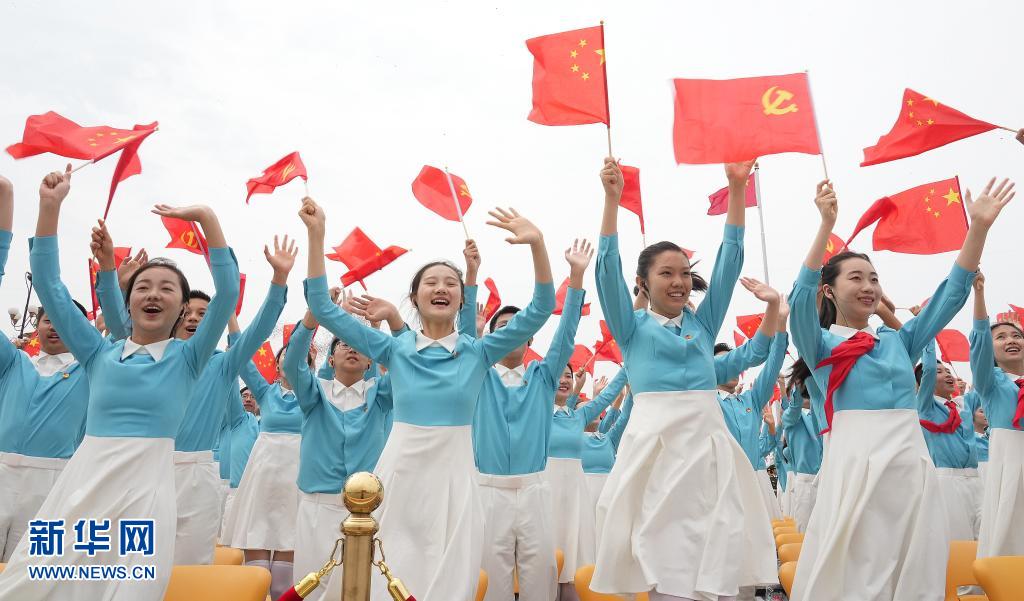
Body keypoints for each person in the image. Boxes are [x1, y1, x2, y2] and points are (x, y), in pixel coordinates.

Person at [0, 166, 239, 600]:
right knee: (36, 586)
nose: (153, 294)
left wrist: (206, 217)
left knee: (131, 591)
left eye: (167, 289)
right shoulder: (97, 353)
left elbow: (226, 292)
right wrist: (50, 207)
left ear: (182, 309)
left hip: (145, 502)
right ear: (128, 303)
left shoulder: (188, 359)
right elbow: (50, 285)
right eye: (143, 287)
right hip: (79, 494)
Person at [301, 197, 555, 601]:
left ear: (461, 299)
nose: (441, 288)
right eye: (431, 283)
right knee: (386, 568)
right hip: (399, 474)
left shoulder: (479, 351)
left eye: (451, 283)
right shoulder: (394, 348)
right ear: (415, 297)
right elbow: (321, 307)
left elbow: (542, 307)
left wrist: (537, 244)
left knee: (448, 578)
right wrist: (317, 235)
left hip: (456, 481)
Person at [788, 177, 1012, 601]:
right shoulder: (819, 345)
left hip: (910, 466)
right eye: (856, 278)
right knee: (858, 572)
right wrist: (825, 225)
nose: (868, 287)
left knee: (916, 568)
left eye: (873, 278)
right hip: (855, 466)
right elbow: (799, 297)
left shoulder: (898, 342)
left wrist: (978, 229)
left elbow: (950, 295)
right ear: (829, 290)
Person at [592, 158, 777, 601]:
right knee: (663, 557)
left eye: (684, 274)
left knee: (717, 549)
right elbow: (606, 268)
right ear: (642, 282)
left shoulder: (703, 324)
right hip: (655, 451)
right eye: (666, 274)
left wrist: (737, 188)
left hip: (707, 449)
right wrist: (612, 201)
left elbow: (730, 261)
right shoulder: (631, 327)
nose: (678, 282)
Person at [94, 226, 294, 565]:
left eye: (204, 314)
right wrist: (118, 282)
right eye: (188, 313)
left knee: (189, 570)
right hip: (140, 467)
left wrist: (279, 280)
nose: (194, 319)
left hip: (196, 478)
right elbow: (119, 325)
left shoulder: (222, 364)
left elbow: (259, 328)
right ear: (174, 314)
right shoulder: (147, 356)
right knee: (131, 565)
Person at [464, 238, 591, 601]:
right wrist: (471, 276)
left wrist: (576, 277)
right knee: (493, 582)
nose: (511, 332)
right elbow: (465, 337)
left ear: (530, 337)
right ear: (492, 336)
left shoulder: (543, 376)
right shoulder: (479, 375)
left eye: (519, 326)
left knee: (541, 580)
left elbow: (566, 335)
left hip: (536, 489)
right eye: (503, 326)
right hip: (489, 490)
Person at [0, 174, 92, 562]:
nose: (54, 325)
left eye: (64, 319)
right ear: (36, 327)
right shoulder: (13, 362)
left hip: (55, 483)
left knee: (30, 575)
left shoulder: (91, 371)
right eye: (47, 318)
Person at [284, 301, 393, 601]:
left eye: (359, 345)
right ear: (331, 359)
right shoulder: (314, 392)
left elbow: (406, 366)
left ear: (370, 362)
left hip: (367, 511)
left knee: (363, 588)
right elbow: (292, 363)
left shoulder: (380, 394)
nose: (352, 348)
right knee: (312, 585)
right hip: (317, 506)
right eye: (344, 343)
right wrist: (313, 316)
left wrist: (377, 330)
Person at [223, 338, 309, 598]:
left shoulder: (313, 396)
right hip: (262, 481)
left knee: (282, 585)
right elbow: (244, 362)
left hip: (296, 483)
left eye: (300, 355)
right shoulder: (265, 392)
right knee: (256, 579)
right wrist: (231, 321)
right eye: (286, 354)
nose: (292, 358)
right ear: (277, 365)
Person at [549, 368, 627, 601]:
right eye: (558, 374)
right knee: (546, 566)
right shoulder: (538, 413)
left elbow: (608, 396)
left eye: (568, 376)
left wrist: (628, 367)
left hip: (575, 496)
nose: (564, 380)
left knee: (576, 564)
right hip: (547, 493)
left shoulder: (579, 417)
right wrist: (577, 392)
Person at [715, 287, 788, 523]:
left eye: (733, 363)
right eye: (722, 364)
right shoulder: (706, 401)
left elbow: (772, 366)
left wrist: (780, 325)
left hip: (756, 481)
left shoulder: (751, 400)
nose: (730, 369)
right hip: (723, 482)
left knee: (765, 540)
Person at [970, 270, 1024, 557]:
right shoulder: (991, 382)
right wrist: (979, 293)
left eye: (1016, 335)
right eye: (1001, 337)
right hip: (1011, 459)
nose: (1010, 340)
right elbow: (979, 340)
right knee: (1009, 527)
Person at [915, 336, 982, 541]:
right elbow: (927, 369)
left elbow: (983, 379)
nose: (947, 374)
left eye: (947, 371)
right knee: (957, 540)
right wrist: (929, 334)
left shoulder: (964, 405)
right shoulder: (925, 406)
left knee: (984, 539)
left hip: (976, 479)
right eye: (939, 372)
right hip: (946, 480)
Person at [780, 381, 823, 532]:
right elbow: (793, 408)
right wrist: (799, 382)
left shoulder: (821, 414)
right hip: (806, 481)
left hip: (826, 477)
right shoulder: (790, 417)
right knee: (805, 533)